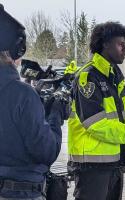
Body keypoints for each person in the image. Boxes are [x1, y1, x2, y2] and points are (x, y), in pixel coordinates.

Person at [68, 21, 125, 200]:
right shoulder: (88, 77)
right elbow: (96, 124)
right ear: (105, 44)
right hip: (91, 167)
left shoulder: (114, 75)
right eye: (120, 44)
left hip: (113, 164)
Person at [0, 4, 68, 200]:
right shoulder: (22, 95)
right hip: (20, 193)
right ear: (15, 50)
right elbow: (46, 152)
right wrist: (54, 117)